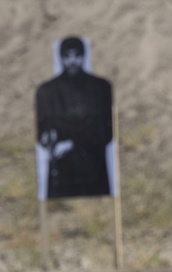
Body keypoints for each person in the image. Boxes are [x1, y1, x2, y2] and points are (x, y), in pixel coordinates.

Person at [35, 36, 114, 199]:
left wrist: (72, 143)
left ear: (83, 56)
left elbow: (106, 131)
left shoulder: (100, 88)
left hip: (92, 167)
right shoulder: (47, 91)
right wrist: (47, 138)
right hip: (62, 170)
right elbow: (41, 128)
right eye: (67, 57)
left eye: (76, 56)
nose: (72, 61)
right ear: (61, 58)